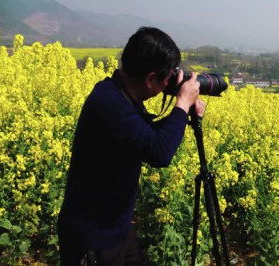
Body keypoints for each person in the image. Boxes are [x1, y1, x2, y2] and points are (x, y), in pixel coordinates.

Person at [57, 27, 204, 265]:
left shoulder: (121, 95)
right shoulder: (110, 103)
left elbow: (144, 137)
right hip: (93, 238)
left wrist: (183, 112)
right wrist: (182, 103)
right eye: (167, 78)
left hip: (117, 230)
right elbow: (159, 153)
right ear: (150, 79)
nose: (170, 83)